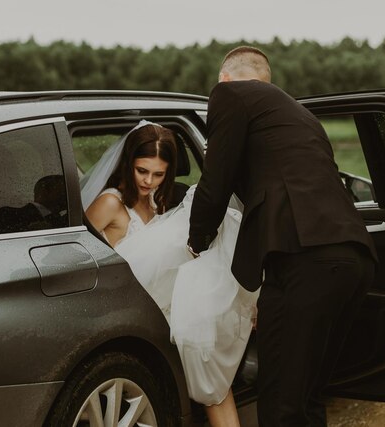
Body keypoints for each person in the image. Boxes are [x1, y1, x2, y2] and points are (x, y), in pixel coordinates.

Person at [187, 46, 378, 426]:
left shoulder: (229, 94)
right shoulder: (301, 115)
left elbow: (216, 178)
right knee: (308, 398)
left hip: (304, 258)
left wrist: (197, 239)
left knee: (278, 404)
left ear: (224, 78)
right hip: (355, 258)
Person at [83, 120, 257, 427]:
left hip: (169, 307)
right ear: (129, 164)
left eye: (159, 174)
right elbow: (79, 255)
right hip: (129, 312)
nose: (149, 181)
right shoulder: (110, 203)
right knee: (211, 374)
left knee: (213, 374)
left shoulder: (158, 203)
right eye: (142, 171)